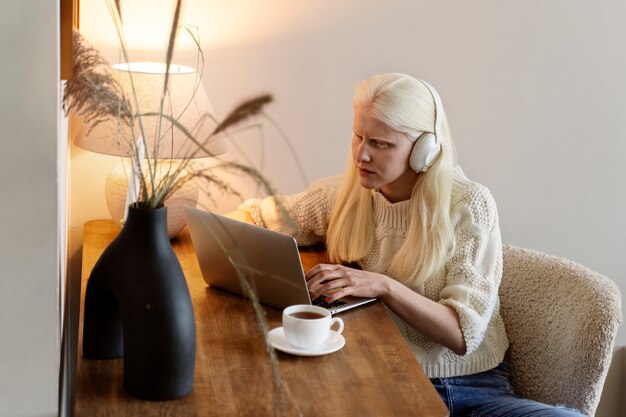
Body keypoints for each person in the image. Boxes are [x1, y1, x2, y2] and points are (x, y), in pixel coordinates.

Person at [228, 73, 584, 416]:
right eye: (357, 136)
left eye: (380, 144)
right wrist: (179, 215)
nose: (361, 155)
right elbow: (255, 218)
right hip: (384, 381)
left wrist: (382, 286)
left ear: (424, 150)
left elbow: (462, 333)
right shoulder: (343, 197)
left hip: (473, 389)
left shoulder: (468, 205)